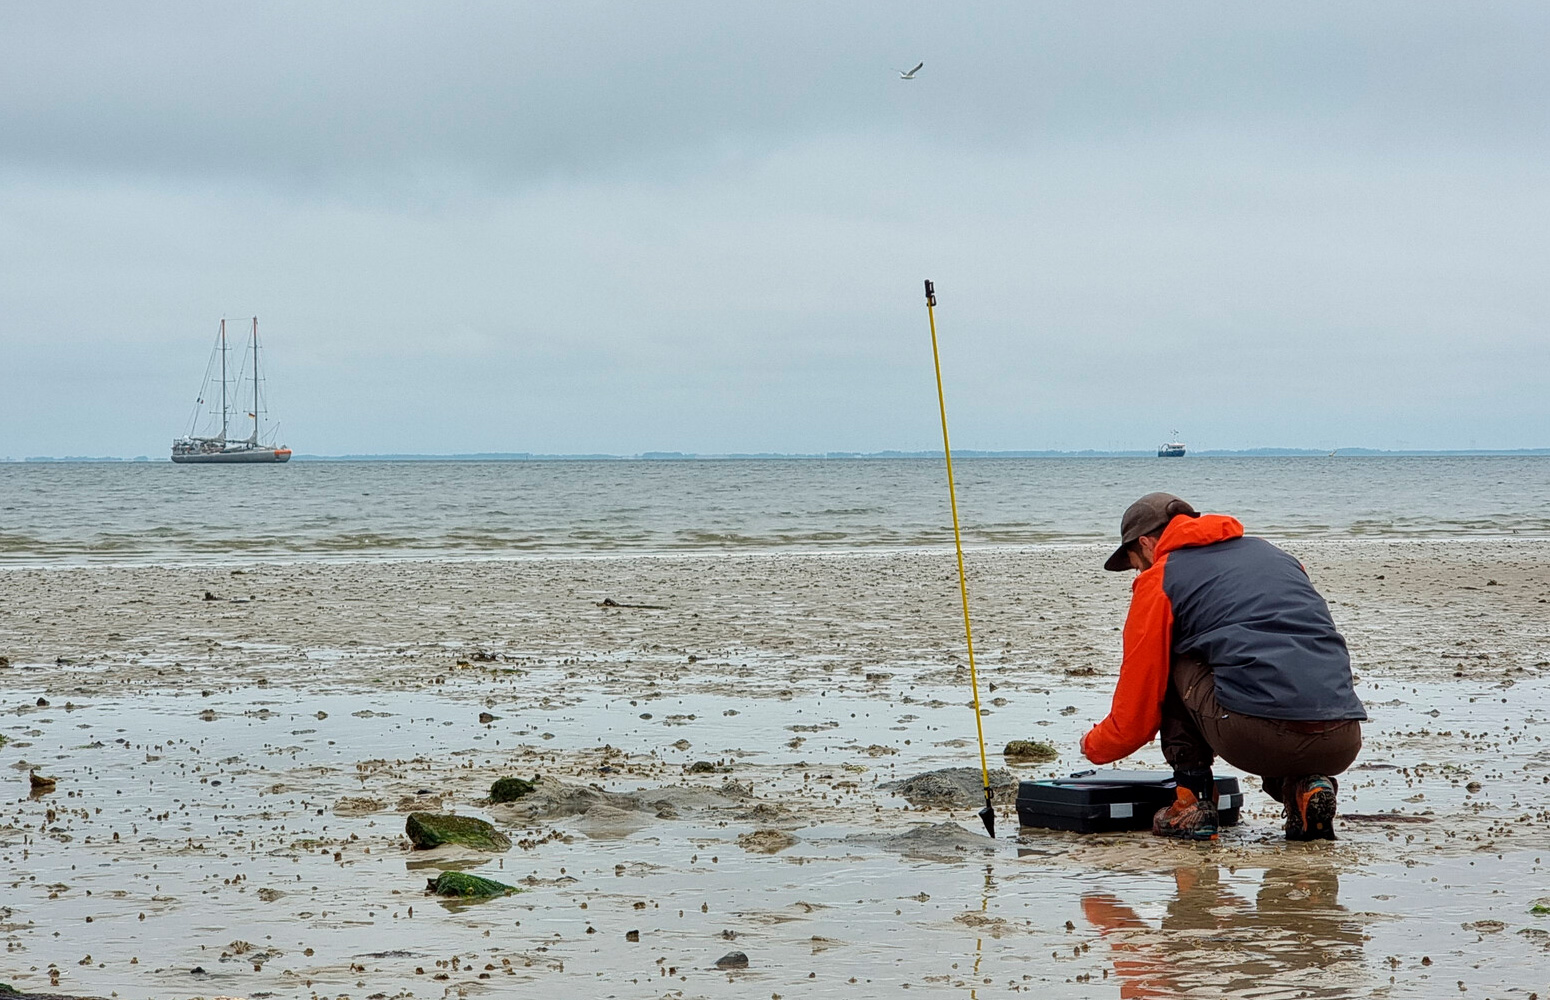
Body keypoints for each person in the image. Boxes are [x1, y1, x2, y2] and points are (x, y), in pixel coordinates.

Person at [1079, 492, 1365, 841]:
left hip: (1256, 737)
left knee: (1173, 656)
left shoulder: (1161, 578)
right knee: (1262, 675)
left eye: (1137, 564)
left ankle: (1192, 802)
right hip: (1342, 738)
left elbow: (1138, 708)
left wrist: (1094, 745)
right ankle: (1304, 790)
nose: (1138, 574)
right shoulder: (1274, 555)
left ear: (1146, 544)